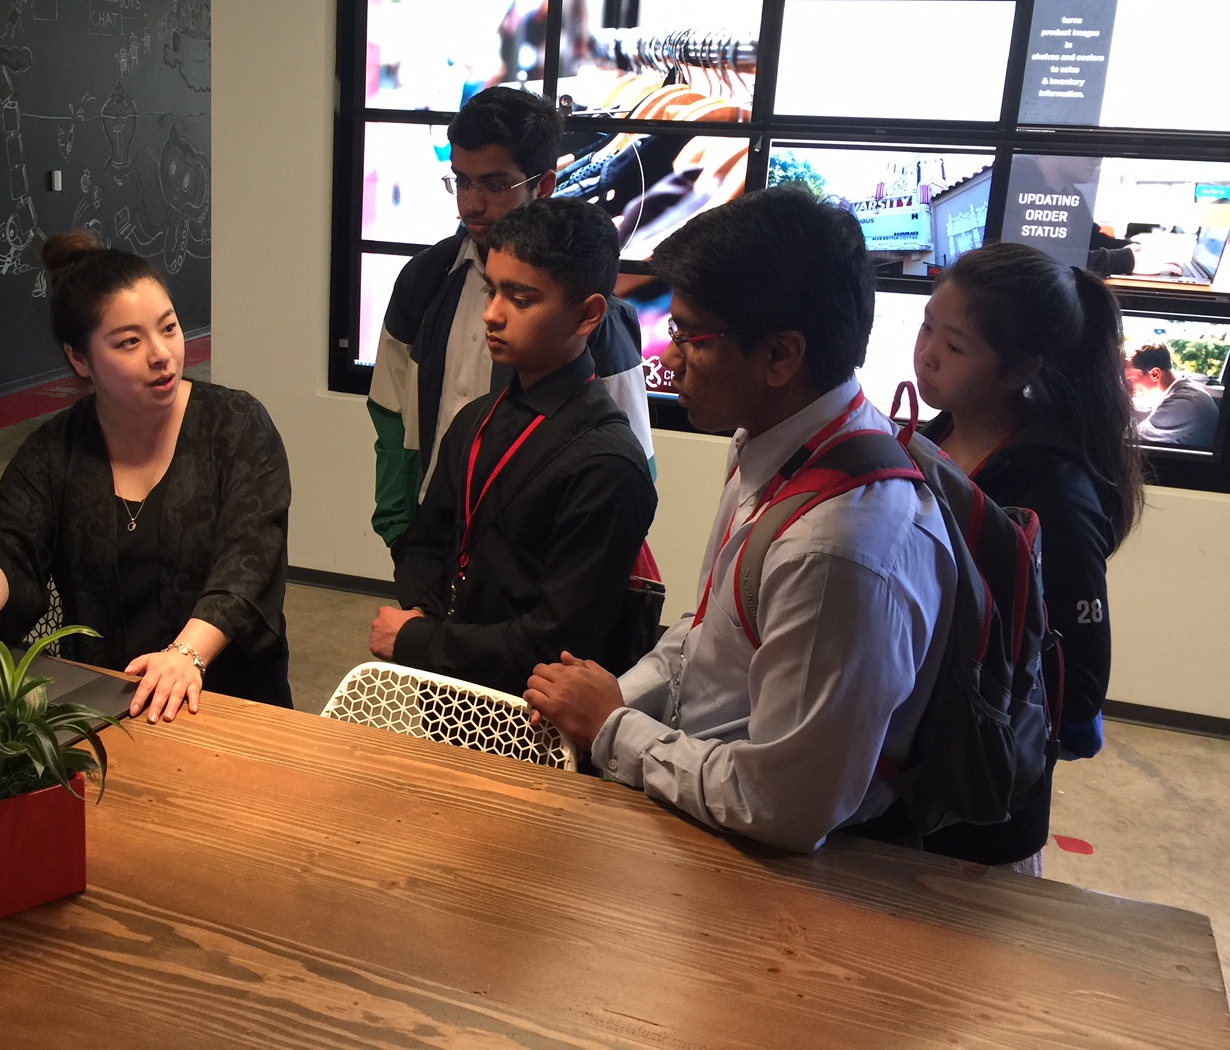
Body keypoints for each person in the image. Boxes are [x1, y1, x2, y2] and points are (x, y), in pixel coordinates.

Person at [525, 185, 956, 854]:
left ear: (781, 356)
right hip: (700, 800)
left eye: (691, 336)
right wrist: (612, 696)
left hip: (769, 873)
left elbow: (782, 806)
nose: (670, 358)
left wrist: (613, 725)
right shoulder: (782, 440)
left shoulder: (837, 550)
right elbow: (711, 635)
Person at [0, 232, 292, 723]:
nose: (161, 354)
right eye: (130, 342)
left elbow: (250, 560)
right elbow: (7, 542)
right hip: (102, 706)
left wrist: (185, 656)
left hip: (228, 701)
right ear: (79, 358)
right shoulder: (57, 449)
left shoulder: (237, 424)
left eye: (169, 328)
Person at [911, 242, 1145, 869]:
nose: (927, 353)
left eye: (955, 346)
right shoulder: (929, 438)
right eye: (926, 324)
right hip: (905, 779)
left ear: (1018, 371)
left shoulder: (1053, 493)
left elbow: (1083, 684)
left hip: (983, 804)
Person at [370, 198, 657, 696]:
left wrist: (421, 640)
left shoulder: (607, 463)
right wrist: (427, 617)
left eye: (520, 299)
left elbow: (558, 643)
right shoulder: (476, 418)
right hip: (448, 683)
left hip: (533, 716)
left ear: (588, 314)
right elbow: (426, 544)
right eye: (491, 291)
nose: (492, 315)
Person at [367, 86, 654, 550]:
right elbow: (389, 410)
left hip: (538, 556)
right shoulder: (423, 281)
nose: (471, 204)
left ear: (543, 184)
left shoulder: (592, 309)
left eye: (495, 184)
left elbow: (631, 461)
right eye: (461, 181)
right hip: (433, 539)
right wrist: (401, 532)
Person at [1129, 343, 1221, 449]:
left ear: (1155, 374)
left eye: (1129, 379)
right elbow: (1142, 406)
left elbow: (1132, 438)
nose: (1126, 385)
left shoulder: (1185, 403)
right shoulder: (1173, 390)